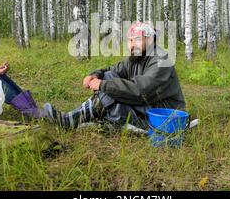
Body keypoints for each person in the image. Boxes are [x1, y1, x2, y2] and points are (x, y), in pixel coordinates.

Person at [43, 21, 186, 129]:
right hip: (145, 107)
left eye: (137, 39)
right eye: (130, 40)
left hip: (162, 116)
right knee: (109, 77)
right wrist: (94, 75)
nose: (132, 44)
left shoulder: (161, 59)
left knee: (109, 89)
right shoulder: (136, 57)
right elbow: (112, 70)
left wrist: (103, 85)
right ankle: (95, 118)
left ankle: (71, 120)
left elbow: (140, 90)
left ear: (149, 40)